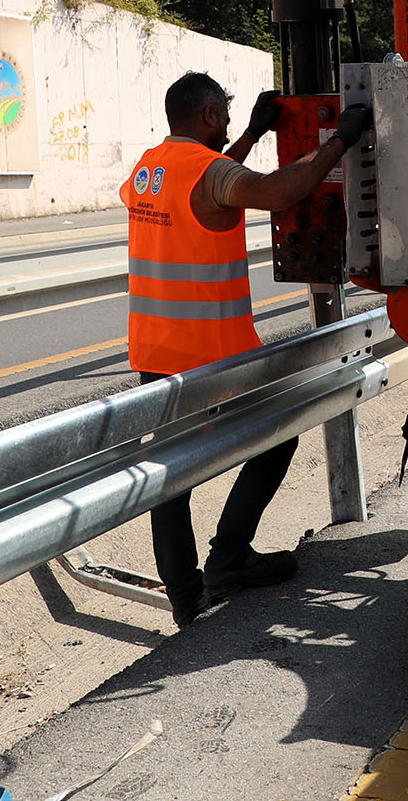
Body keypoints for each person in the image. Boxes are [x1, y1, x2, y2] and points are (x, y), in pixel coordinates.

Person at [120, 71, 372, 625]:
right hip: (209, 357)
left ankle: (189, 600)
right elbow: (279, 191)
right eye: (228, 118)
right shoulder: (209, 172)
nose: (230, 126)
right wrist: (341, 141)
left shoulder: (148, 169)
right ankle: (227, 559)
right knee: (275, 436)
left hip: (154, 350)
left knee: (171, 479)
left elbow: (211, 186)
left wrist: (256, 133)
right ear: (209, 115)